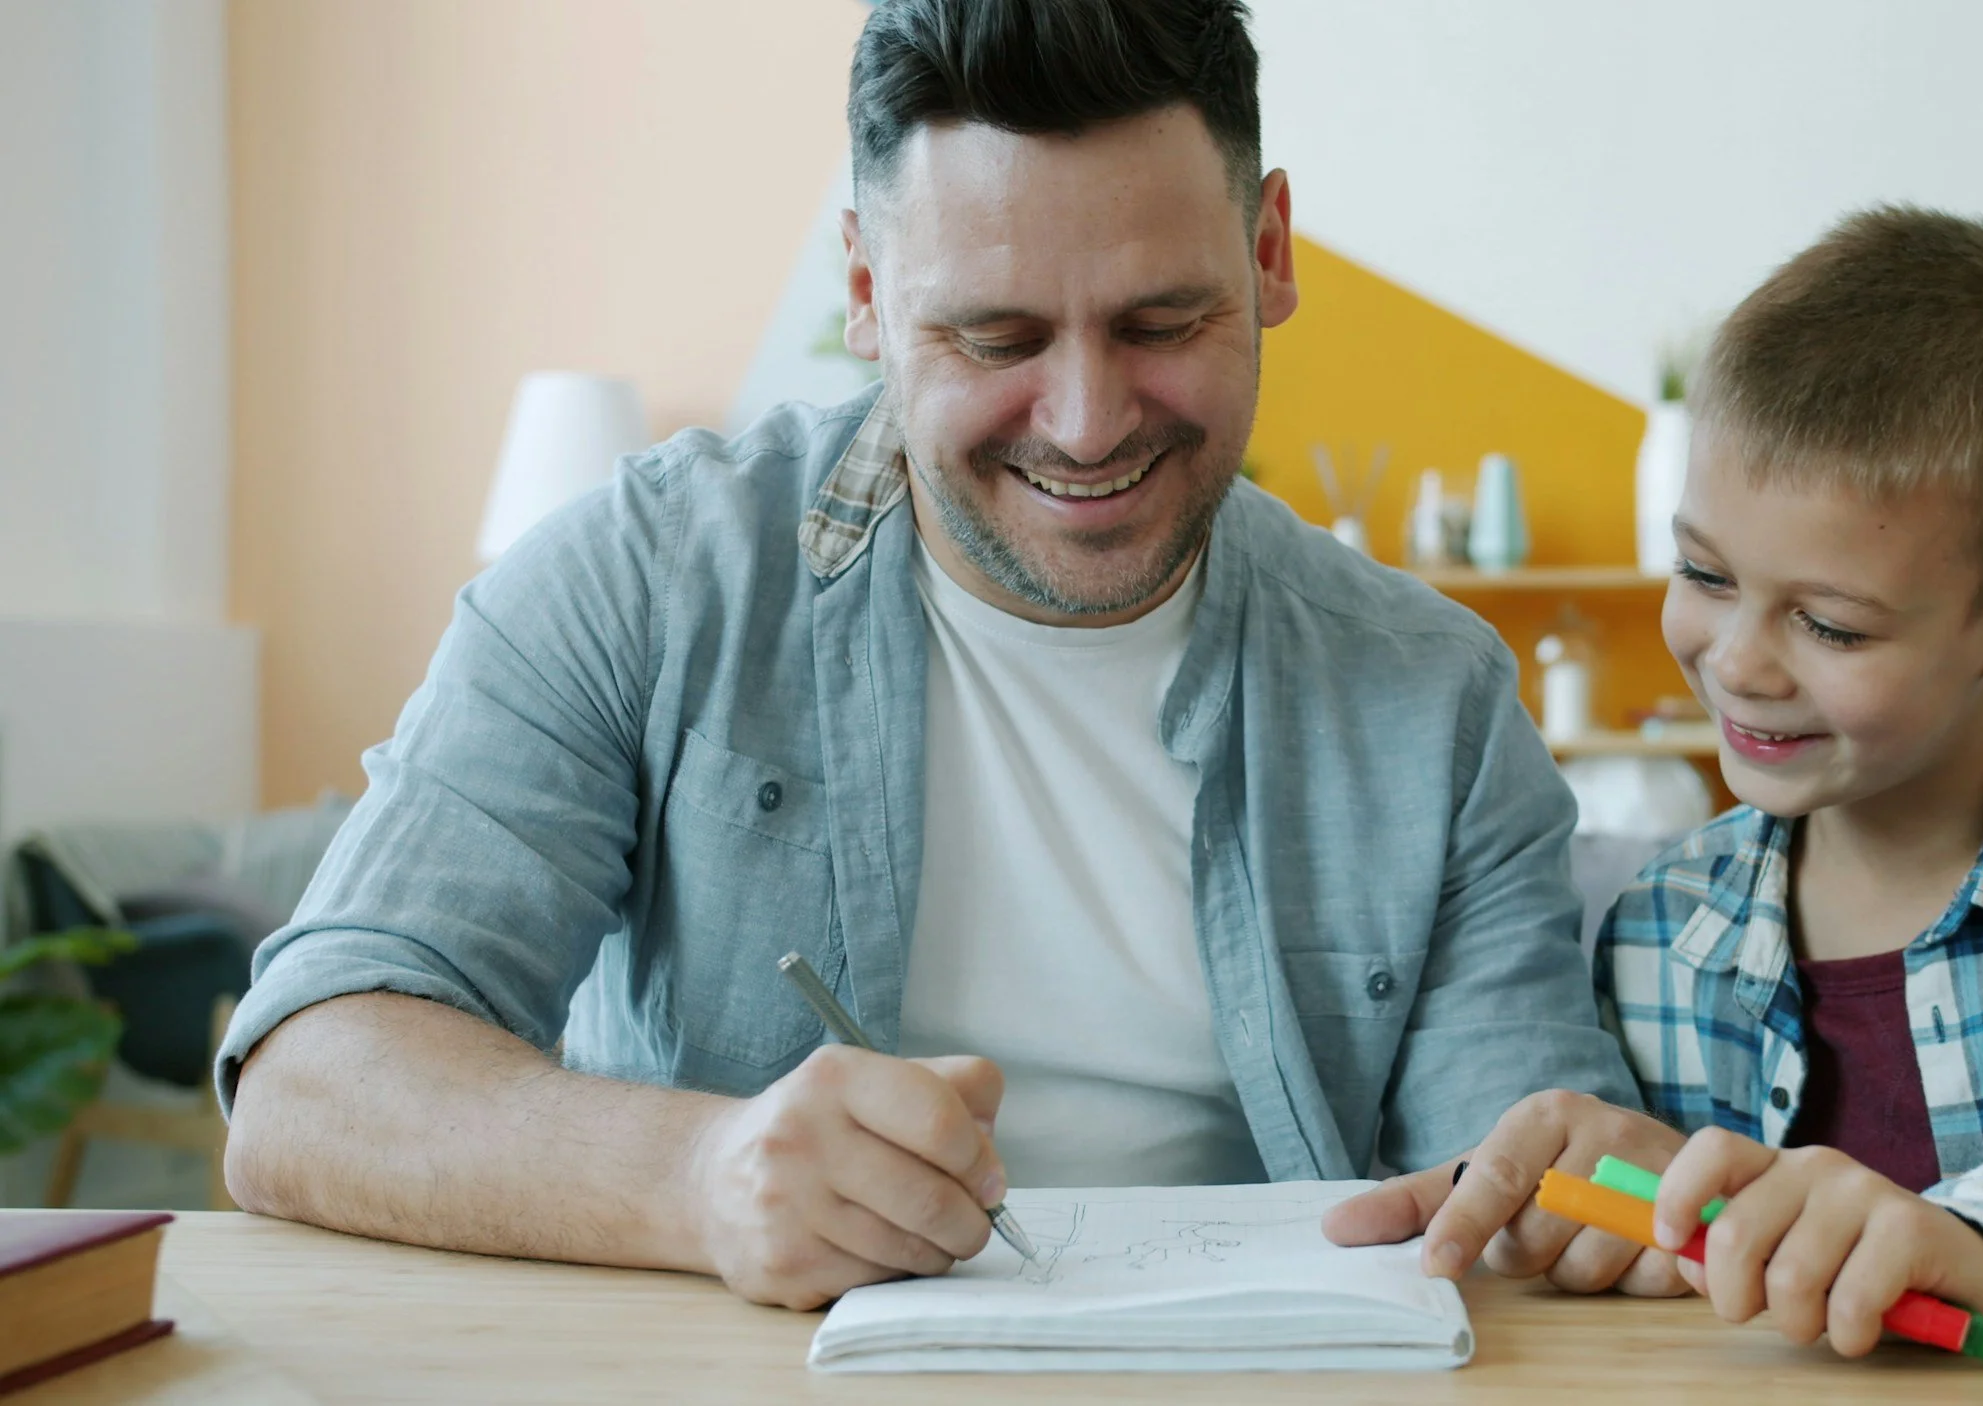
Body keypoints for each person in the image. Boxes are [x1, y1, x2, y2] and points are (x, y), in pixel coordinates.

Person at [217, 0, 1668, 1310]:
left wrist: (1592, 1189)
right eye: (993, 336)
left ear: (1270, 251)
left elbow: (1531, 1184)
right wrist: (700, 1173)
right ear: (863, 286)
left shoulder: (1438, 698)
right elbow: (308, 1082)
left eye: (1164, 321)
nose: (1089, 421)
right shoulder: (646, 581)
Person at [1326, 206, 1983, 1351]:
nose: (1736, 660)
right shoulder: (1662, 928)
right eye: (1703, 570)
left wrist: (1980, 1243)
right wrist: (1597, 1214)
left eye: (1831, 626)